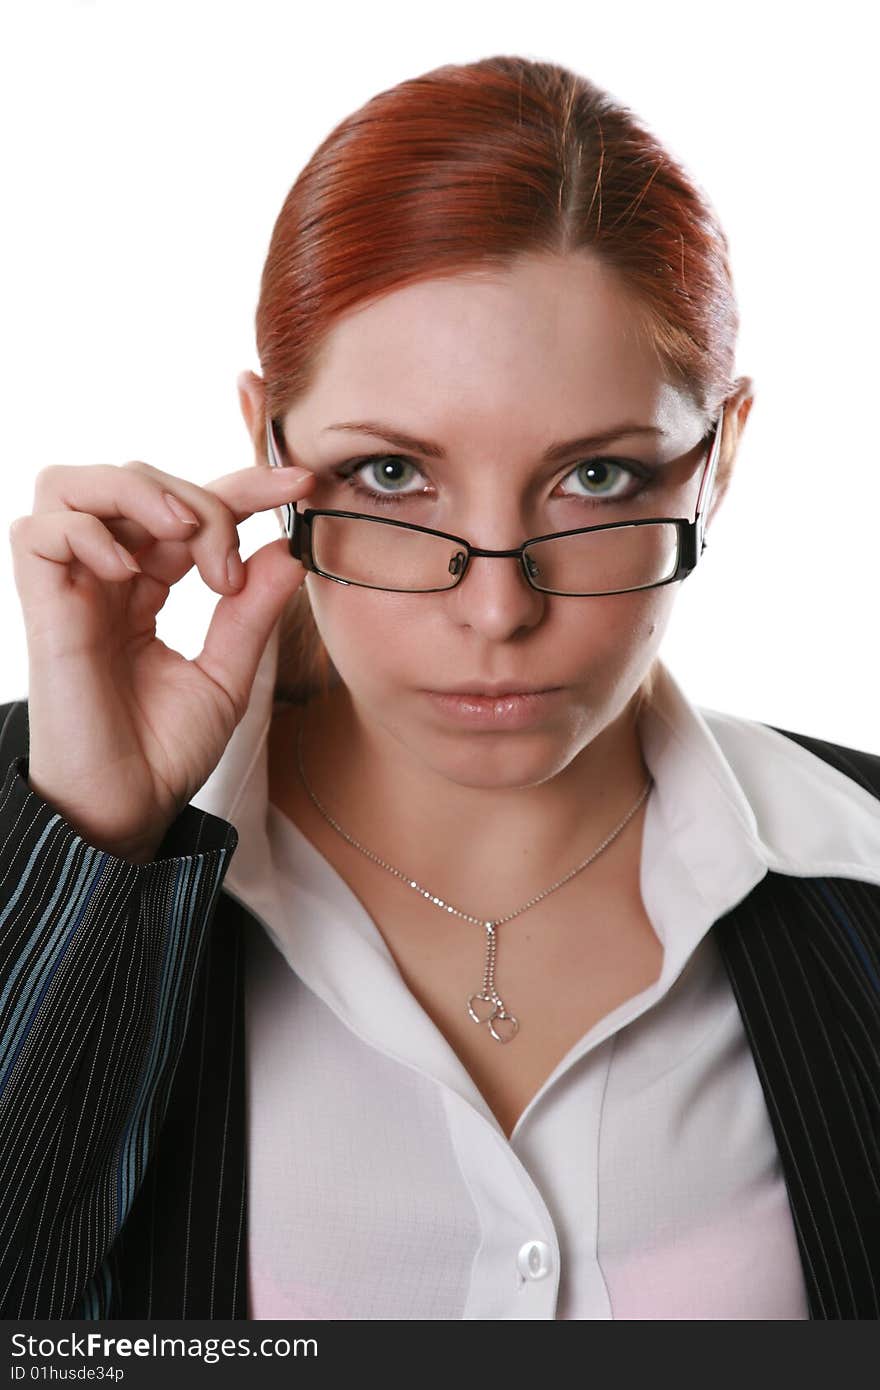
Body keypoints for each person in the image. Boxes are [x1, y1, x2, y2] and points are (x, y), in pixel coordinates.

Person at [1, 55, 878, 1322]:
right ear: (269, 448)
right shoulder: (42, 842)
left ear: (720, 455)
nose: (497, 607)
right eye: (395, 475)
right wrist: (91, 840)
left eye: (597, 479)